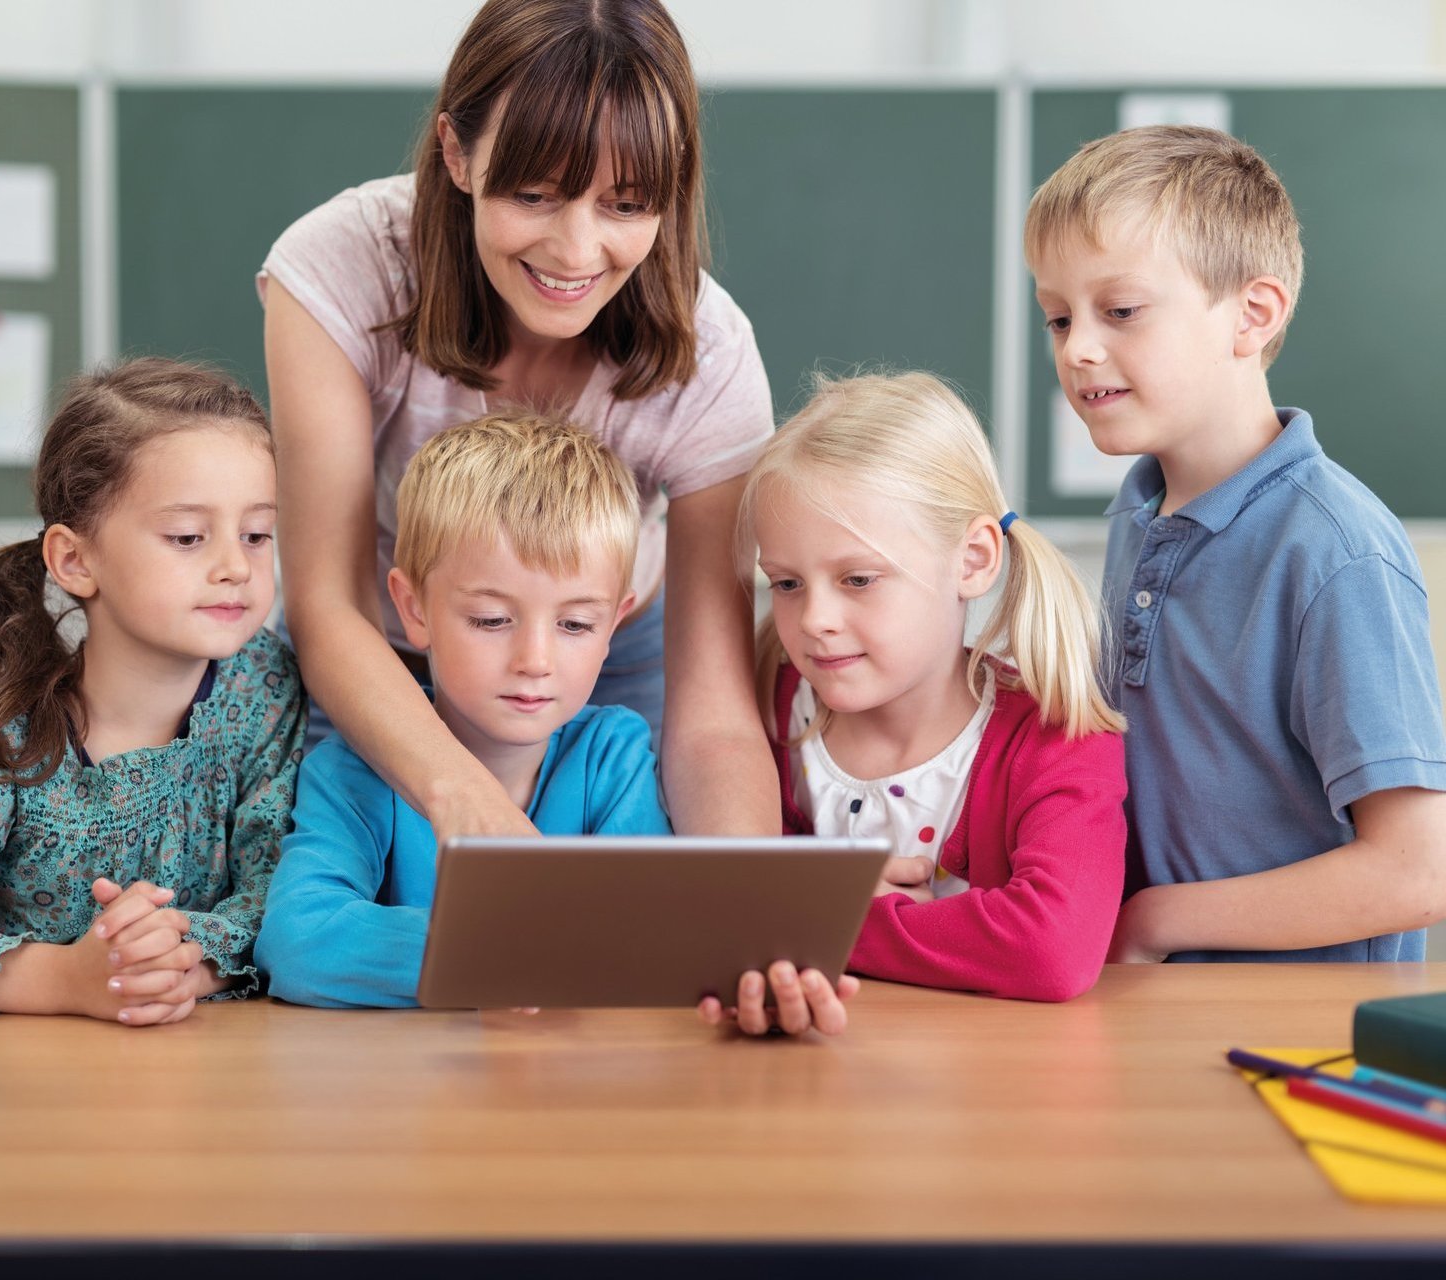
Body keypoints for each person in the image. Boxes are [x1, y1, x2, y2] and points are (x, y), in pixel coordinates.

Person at [260, 0, 777, 847]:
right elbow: (329, 608)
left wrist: (751, 914)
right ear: (458, 153)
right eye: (534, 195)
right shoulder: (341, 268)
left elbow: (715, 717)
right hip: (376, 654)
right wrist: (473, 806)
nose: (576, 253)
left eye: (626, 203)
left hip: (602, 658)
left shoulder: (711, 356)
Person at [1027, 125, 1446, 962]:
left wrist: (1153, 922)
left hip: (1299, 1044)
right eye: (1058, 317)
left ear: (1252, 315)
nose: (1078, 348)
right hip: (1159, 1017)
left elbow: (1414, 871)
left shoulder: (1335, 553)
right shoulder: (1136, 517)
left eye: (1120, 311)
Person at [0, 360, 304, 1025]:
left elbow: (285, 897)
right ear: (75, 560)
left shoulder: (266, 692)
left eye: (257, 534)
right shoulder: (6, 727)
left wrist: (177, 961)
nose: (235, 567)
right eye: (188, 537)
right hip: (21, 1089)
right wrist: (69, 979)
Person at [257, 414, 725, 1010]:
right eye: (491, 620)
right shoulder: (352, 770)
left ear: (614, 625)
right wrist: (495, 957)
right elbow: (298, 944)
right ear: (414, 609)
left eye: (576, 625)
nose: (535, 660)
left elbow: (654, 934)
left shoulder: (613, 755)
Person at [708, 371, 1127, 1032]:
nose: (813, 617)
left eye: (858, 579)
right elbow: (717, 913)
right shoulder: (762, 714)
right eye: (786, 582)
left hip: (990, 1093)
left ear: (971, 560)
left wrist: (827, 916)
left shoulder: (1056, 738)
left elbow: (1052, 948)